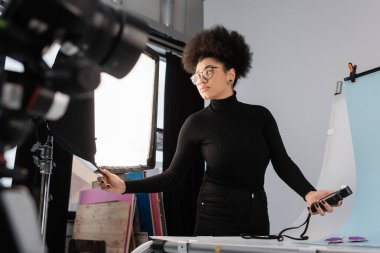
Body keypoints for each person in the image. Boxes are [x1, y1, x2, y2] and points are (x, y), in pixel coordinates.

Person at [97, 25, 341, 236]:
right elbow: (173, 177)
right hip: (214, 216)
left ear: (231, 75)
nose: (200, 79)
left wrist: (309, 193)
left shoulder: (260, 116)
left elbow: (282, 162)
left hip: (256, 213)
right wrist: (126, 186)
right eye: (196, 76)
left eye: (208, 71)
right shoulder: (196, 123)